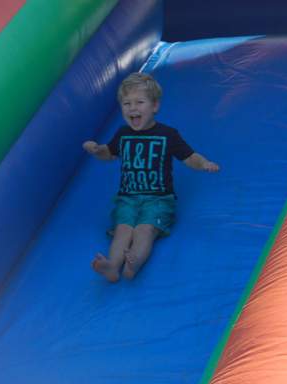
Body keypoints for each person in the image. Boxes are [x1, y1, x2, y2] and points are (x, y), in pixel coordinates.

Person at [83, 72, 219, 282]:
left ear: (155, 106)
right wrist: (97, 149)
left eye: (139, 102)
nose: (133, 108)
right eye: (126, 104)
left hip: (159, 199)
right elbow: (109, 154)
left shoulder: (168, 134)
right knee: (123, 230)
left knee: (145, 229)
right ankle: (112, 266)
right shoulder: (122, 133)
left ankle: (134, 262)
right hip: (127, 197)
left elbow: (189, 156)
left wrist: (204, 164)